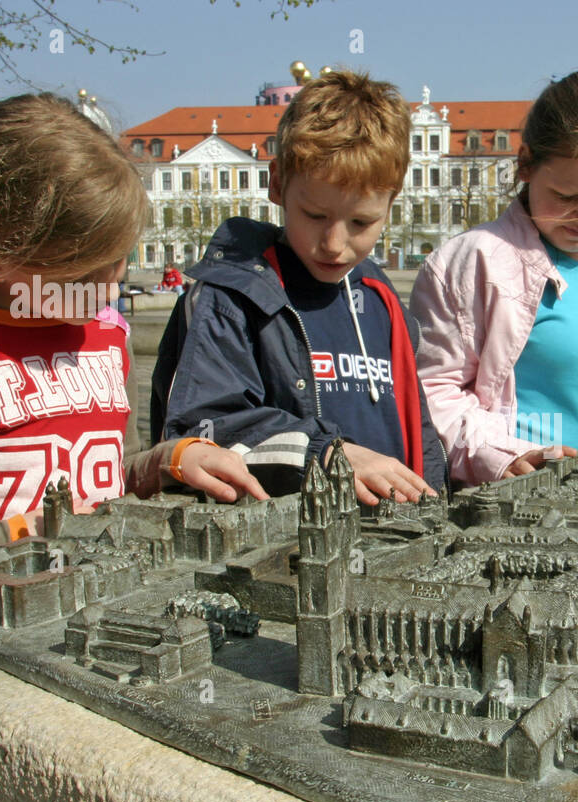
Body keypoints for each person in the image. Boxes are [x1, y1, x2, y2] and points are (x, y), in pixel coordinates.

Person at [0, 93, 266, 622]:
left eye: (119, 260)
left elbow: (105, 479)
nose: (113, 286)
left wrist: (166, 461)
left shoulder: (107, 332)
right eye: (88, 272)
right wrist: (7, 544)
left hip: (97, 619)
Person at [152, 71, 447, 505]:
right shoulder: (229, 297)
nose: (334, 243)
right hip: (280, 549)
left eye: (361, 223)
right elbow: (202, 428)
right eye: (314, 215)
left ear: (392, 201)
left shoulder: (381, 297)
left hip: (391, 539)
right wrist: (330, 454)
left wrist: (434, 501)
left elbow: (416, 428)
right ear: (277, 185)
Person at [410, 71, 578, 486]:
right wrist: (501, 456)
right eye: (566, 198)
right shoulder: (472, 261)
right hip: (516, 496)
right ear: (525, 164)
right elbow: (431, 395)